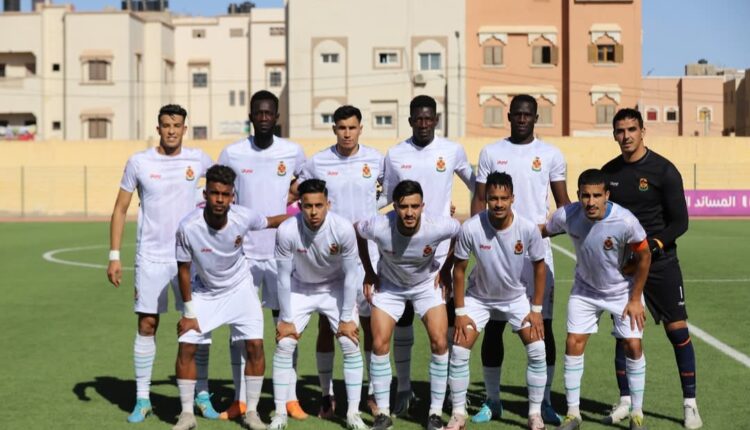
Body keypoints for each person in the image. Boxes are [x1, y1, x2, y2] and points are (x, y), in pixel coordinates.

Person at [106, 104, 217, 423]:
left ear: (185, 129)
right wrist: (114, 255)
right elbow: (120, 208)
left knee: (198, 324)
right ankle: (142, 399)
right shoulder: (139, 162)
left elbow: (225, 185)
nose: (171, 130)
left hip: (190, 259)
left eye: (176, 125)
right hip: (151, 257)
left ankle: (202, 393)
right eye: (166, 125)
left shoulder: (198, 159)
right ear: (158, 128)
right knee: (147, 324)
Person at [470, 94, 569, 425]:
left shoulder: (551, 154)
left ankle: (544, 403)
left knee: (544, 328)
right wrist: (479, 240)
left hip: (536, 255)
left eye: (528, 114)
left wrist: (546, 230)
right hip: (496, 253)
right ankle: (493, 400)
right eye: (517, 114)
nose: (522, 119)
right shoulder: (491, 152)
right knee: (494, 327)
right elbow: (479, 200)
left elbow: (564, 207)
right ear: (509, 116)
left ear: (536, 118)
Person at [602, 108, 702, 429]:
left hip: (661, 264)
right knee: (625, 336)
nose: (626, 136)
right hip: (626, 267)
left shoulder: (664, 171)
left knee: (678, 331)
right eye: (620, 131)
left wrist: (654, 246)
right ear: (614, 135)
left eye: (632, 129)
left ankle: (690, 404)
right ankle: (625, 401)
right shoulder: (609, 173)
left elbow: (680, 222)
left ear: (643, 131)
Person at [172, 165, 289, 430]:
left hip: (240, 289)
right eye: (215, 193)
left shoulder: (243, 217)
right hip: (206, 292)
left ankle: (252, 413)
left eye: (225, 194)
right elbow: (183, 270)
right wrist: (189, 312)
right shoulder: (188, 227)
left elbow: (271, 221)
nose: (220, 199)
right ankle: (187, 414)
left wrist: (301, 217)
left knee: (255, 346)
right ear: (205, 194)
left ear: (232, 196)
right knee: (186, 345)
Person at [381, 95, 474, 416]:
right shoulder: (395, 154)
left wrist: (476, 220)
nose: (423, 124)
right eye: (417, 119)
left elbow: (478, 184)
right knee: (403, 318)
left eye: (428, 118)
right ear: (410, 121)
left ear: (436, 120)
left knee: (445, 325)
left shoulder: (452, 150)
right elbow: (385, 195)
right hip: (403, 252)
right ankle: (404, 389)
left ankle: (449, 391)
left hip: (441, 255)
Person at [218, 90, 308, 421]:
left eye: (270, 113)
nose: (265, 117)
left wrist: (294, 198)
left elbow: (309, 186)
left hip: (281, 252)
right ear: (251, 116)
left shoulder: (292, 151)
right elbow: (219, 191)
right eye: (259, 113)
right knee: (240, 329)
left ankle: (289, 398)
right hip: (242, 255)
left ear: (277, 116)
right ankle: (240, 399)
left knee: (285, 325)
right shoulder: (232, 153)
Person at [543, 169, 651, 430]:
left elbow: (645, 255)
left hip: (621, 292)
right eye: (585, 196)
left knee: (633, 345)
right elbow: (542, 231)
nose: (590, 202)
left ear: (607, 195)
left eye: (596, 196)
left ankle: (636, 414)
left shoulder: (625, 221)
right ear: (578, 195)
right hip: (585, 291)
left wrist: (636, 299)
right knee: (573, 343)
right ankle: (573, 414)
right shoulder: (567, 215)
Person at [296, 105, 384, 416]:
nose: (347, 133)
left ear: (361, 128)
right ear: (334, 129)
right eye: (341, 128)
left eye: (352, 127)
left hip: (367, 256)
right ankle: (326, 395)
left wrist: (375, 210)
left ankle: (372, 394)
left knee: (370, 326)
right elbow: (298, 192)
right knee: (327, 326)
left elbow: (390, 191)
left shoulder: (376, 159)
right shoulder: (318, 161)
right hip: (330, 257)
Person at [356, 180, 461, 430]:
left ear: (422, 206)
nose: (410, 212)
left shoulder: (436, 225)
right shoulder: (380, 225)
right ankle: (383, 414)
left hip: (426, 285)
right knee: (379, 343)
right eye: (404, 207)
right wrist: (369, 271)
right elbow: (357, 230)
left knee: (440, 342)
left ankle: (435, 413)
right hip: (390, 287)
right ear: (395, 206)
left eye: (415, 206)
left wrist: (446, 268)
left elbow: (460, 231)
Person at [448, 172, 548, 430]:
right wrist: (460, 312)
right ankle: (459, 414)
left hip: (516, 298)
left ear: (512, 198)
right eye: (493, 198)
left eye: (504, 198)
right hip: (479, 298)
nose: (499, 204)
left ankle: (534, 414)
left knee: (537, 348)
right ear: (486, 199)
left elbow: (540, 267)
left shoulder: (527, 228)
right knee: (459, 349)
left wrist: (536, 310)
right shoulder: (471, 228)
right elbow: (459, 270)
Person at [269, 179, 366, 430]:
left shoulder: (342, 229)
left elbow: (351, 275)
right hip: (301, 287)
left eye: (319, 205)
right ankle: (279, 414)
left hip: (335, 287)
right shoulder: (287, 230)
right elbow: (282, 277)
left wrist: (346, 318)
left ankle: (353, 414)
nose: (313, 212)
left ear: (328, 204)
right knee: (285, 343)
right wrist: (286, 320)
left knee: (349, 342)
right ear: (300, 206)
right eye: (308, 206)